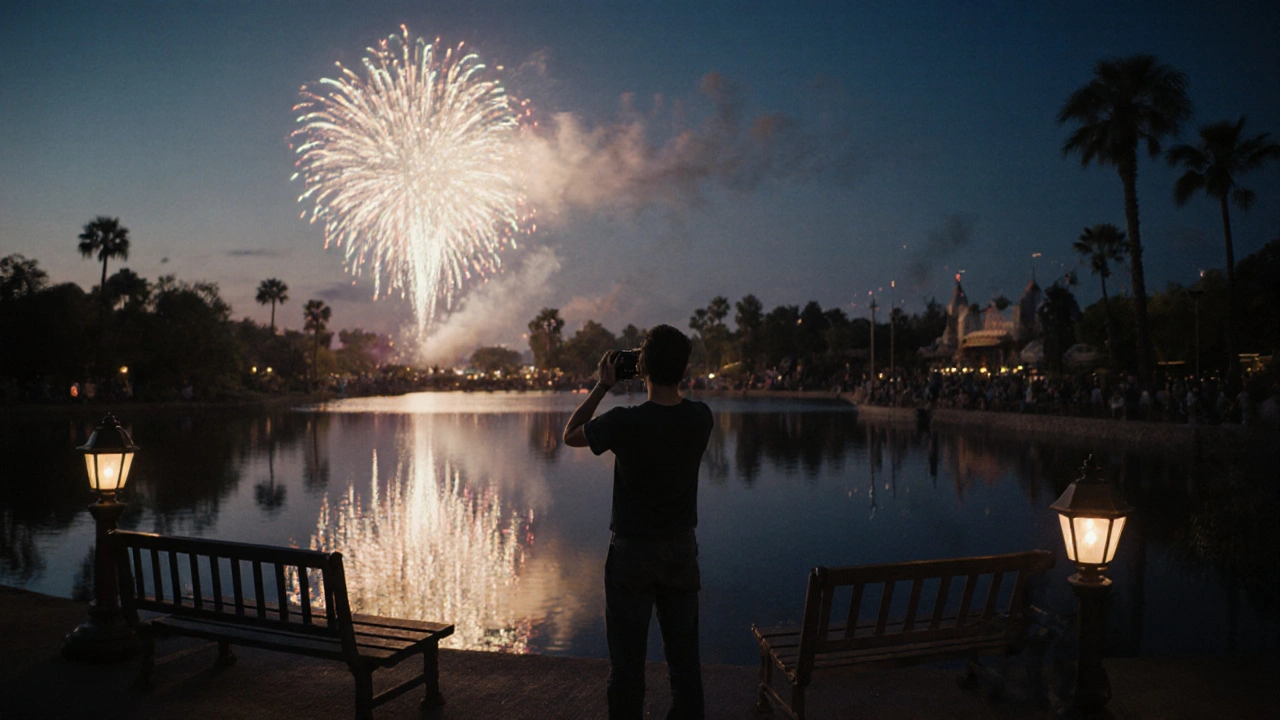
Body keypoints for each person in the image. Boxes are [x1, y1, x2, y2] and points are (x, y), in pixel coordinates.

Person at [563, 324, 713, 720]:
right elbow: (676, 411)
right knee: (685, 664)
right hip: (681, 550)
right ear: (683, 369)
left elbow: (570, 434)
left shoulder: (625, 423)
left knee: (627, 665)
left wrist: (601, 386)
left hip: (632, 554)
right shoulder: (701, 418)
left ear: (641, 367)